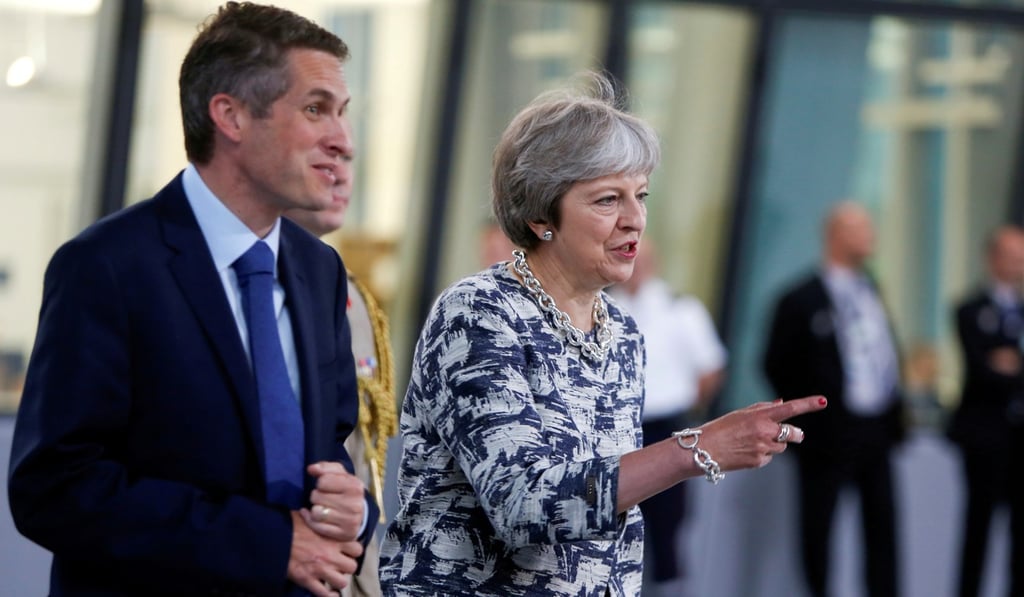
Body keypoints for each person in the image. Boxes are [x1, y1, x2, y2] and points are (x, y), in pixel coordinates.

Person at [378, 72, 827, 596]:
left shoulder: (621, 332)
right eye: (607, 200)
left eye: (640, 195)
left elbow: (608, 518)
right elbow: (524, 507)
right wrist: (695, 449)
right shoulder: (479, 313)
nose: (635, 219)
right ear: (542, 214)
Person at [7, 3, 379, 595]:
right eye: (316, 110)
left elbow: (328, 451)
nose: (343, 141)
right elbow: (55, 488)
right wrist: (267, 542)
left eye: (342, 114)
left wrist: (355, 507)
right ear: (230, 115)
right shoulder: (107, 266)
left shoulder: (321, 269)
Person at [763, 201, 904, 597]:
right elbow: (776, 363)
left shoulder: (871, 290)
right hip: (827, 435)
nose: (870, 235)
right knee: (819, 526)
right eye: (860, 227)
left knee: (882, 524)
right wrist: (810, 416)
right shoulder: (800, 299)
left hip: (875, 429)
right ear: (835, 234)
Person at [286, 125, 398, 597]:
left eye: (348, 167)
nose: (341, 179)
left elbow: (361, 444)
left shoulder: (352, 294)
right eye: (324, 165)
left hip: (349, 542)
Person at [607, 238, 726, 595]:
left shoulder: (680, 308)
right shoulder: (607, 306)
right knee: (614, 518)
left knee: (666, 526)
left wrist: (688, 408)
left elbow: (711, 369)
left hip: (667, 426)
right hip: (621, 429)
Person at [947, 225, 1024, 597]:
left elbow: (1005, 367)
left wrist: (1013, 363)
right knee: (978, 527)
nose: (1017, 264)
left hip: (1018, 435)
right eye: (1011, 255)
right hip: (984, 437)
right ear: (992, 258)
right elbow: (983, 370)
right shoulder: (970, 309)